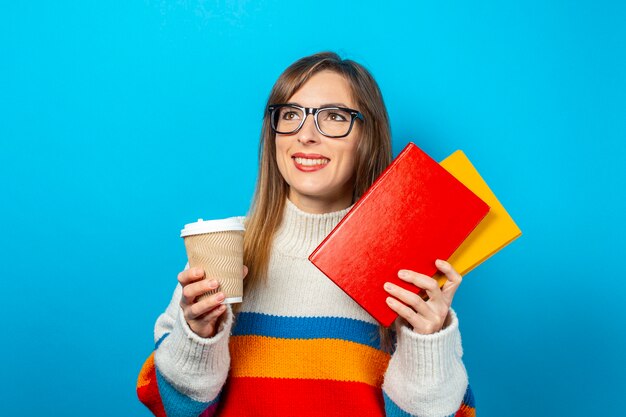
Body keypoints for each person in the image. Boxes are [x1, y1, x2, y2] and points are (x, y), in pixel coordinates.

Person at [137, 51, 476, 417]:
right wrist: (199, 336)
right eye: (290, 115)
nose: (306, 135)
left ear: (368, 135)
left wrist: (427, 341)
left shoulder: (406, 261)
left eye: (333, 117)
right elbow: (173, 408)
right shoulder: (226, 249)